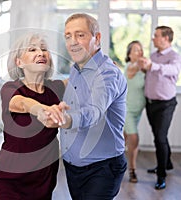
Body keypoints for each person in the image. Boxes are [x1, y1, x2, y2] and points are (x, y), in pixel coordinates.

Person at [0, 33, 68, 200]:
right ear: (19, 62)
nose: (41, 53)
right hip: (10, 179)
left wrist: (100, 67)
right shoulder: (11, 88)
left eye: (44, 49)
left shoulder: (56, 88)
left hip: (43, 179)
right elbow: (22, 103)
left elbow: (81, 77)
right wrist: (40, 110)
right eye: (32, 49)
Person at [58, 13, 127, 199]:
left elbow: (94, 111)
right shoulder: (76, 69)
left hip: (102, 168)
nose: (72, 42)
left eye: (80, 35)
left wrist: (67, 119)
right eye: (68, 36)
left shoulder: (108, 74)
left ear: (96, 38)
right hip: (73, 167)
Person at [138, 26, 181, 190]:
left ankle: (161, 175)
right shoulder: (154, 55)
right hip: (150, 103)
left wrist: (152, 66)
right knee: (159, 136)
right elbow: (151, 73)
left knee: (160, 138)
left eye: (156, 36)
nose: (153, 38)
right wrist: (145, 67)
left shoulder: (174, 56)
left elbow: (173, 70)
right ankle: (167, 162)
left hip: (165, 105)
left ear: (166, 38)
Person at [123, 41, 146, 183]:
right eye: (136, 50)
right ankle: (132, 169)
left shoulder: (144, 69)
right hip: (127, 109)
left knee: (124, 140)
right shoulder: (129, 67)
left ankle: (116, 165)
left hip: (138, 110)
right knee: (134, 138)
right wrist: (143, 63)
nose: (139, 52)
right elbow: (133, 71)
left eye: (141, 50)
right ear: (129, 54)